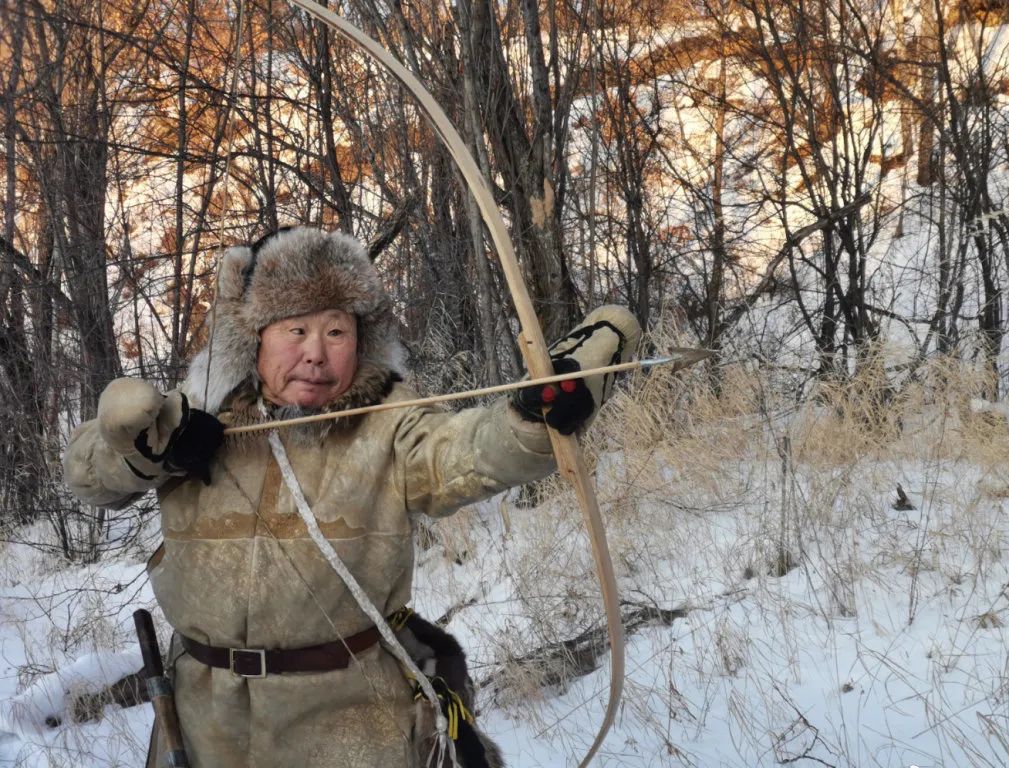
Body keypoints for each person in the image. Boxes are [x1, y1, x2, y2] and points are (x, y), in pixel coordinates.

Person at [62, 226, 641, 768]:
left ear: (362, 340)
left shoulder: (388, 424)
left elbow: (466, 452)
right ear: (253, 339)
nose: (316, 352)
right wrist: (139, 443)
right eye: (295, 330)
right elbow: (90, 475)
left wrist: (533, 419)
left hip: (350, 721)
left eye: (336, 331)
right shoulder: (193, 422)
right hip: (201, 719)